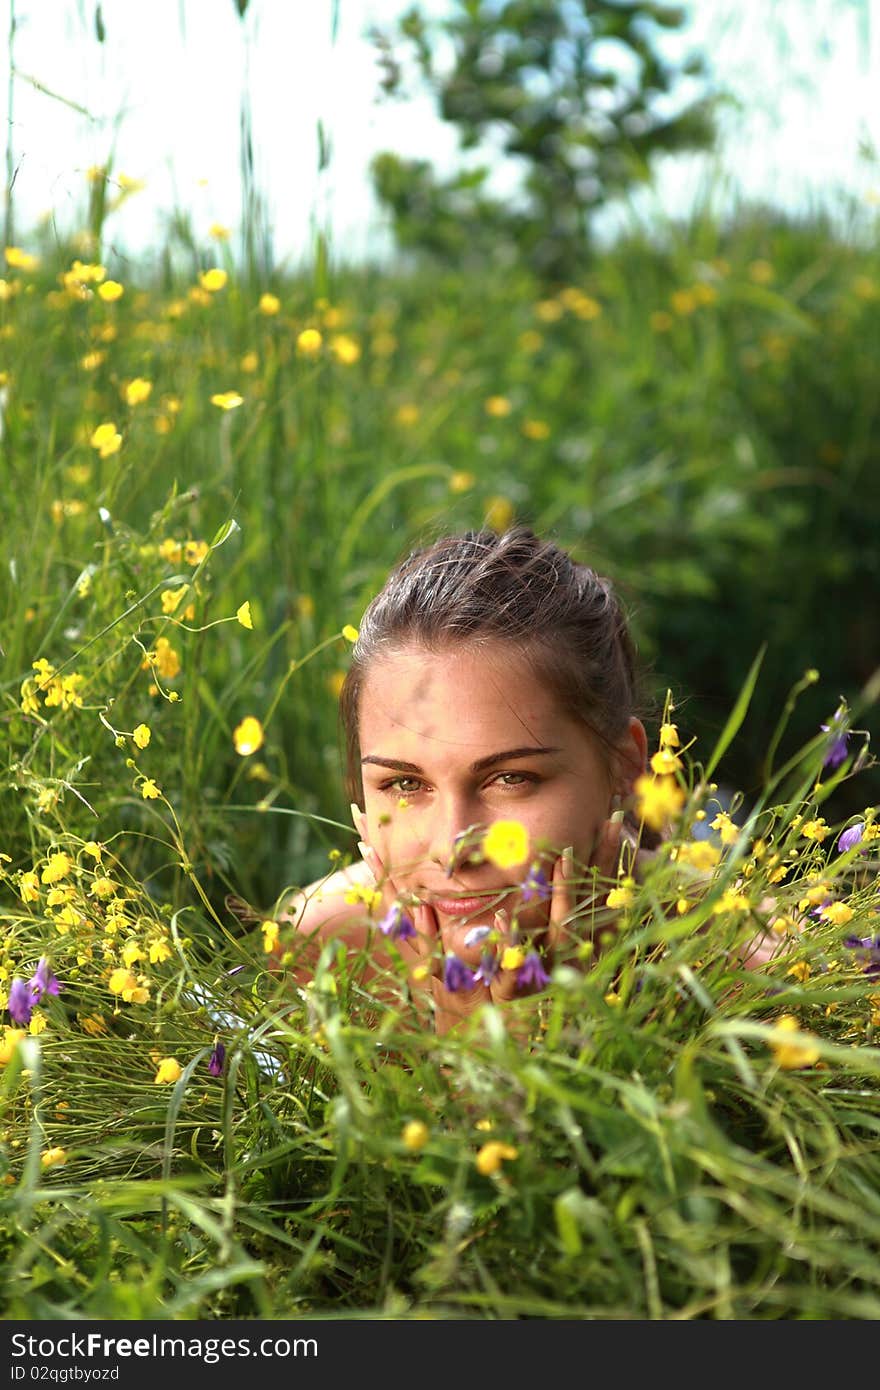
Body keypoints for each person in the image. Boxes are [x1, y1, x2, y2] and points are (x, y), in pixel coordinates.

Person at [271, 525, 663, 1034]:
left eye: (510, 778)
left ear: (625, 767)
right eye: (405, 785)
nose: (454, 848)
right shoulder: (315, 953)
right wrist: (470, 1038)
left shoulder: (750, 969)